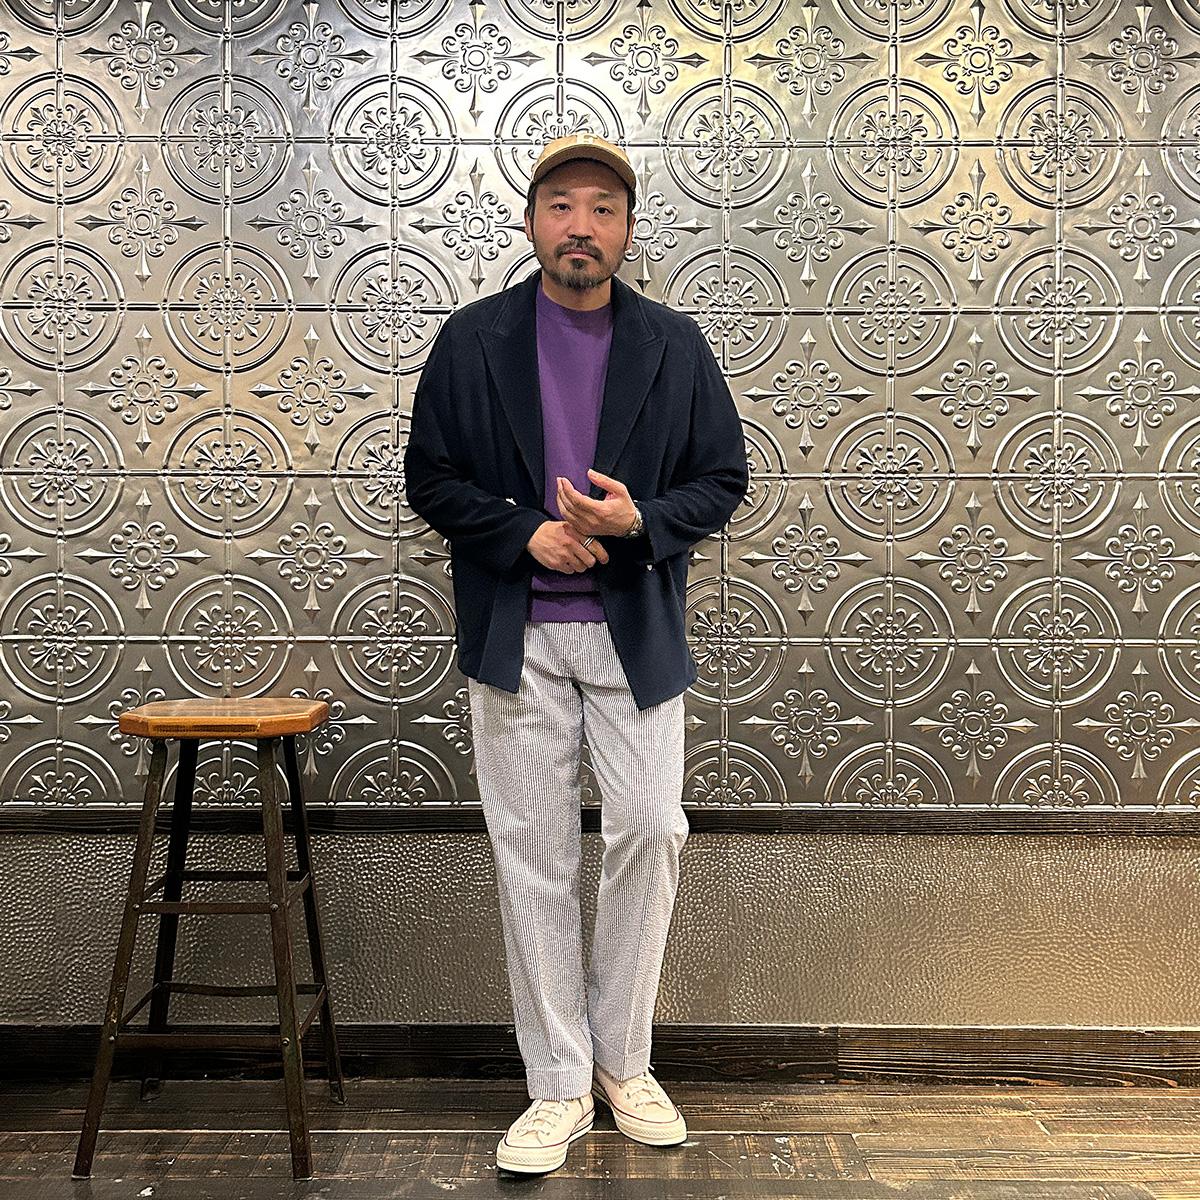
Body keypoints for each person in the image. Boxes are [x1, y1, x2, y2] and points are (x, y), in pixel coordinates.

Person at [403, 133, 749, 1176]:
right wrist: (525, 535)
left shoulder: (674, 344)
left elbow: (723, 479)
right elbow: (431, 477)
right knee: (533, 856)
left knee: (651, 829)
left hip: (635, 630)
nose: (581, 226)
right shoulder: (473, 339)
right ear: (530, 223)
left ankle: (623, 1062)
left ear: (628, 230)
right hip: (516, 634)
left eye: (603, 208)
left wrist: (639, 519)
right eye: (561, 206)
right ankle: (557, 1082)